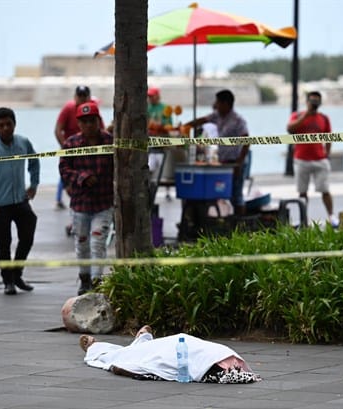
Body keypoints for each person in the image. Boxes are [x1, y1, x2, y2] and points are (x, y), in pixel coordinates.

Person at [0, 107, 40, 295]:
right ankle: (8, 281)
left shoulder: (23, 143)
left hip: (20, 200)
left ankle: (17, 272)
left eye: (9, 124)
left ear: (14, 124)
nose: (6, 128)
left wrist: (34, 184)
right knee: (3, 243)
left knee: (28, 231)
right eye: (1, 125)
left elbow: (34, 161)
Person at [59, 102, 114, 296]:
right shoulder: (71, 144)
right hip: (80, 204)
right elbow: (64, 169)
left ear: (98, 121)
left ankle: (98, 282)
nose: (89, 125)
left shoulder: (110, 142)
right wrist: (82, 178)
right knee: (82, 242)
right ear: (79, 124)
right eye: (84, 122)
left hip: (104, 203)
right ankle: (84, 279)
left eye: (92, 121)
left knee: (98, 242)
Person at [79, 326, 261, 383]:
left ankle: (97, 348)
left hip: (194, 354)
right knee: (139, 353)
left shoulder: (221, 368)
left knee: (133, 355)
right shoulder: (226, 364)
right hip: (185, 346)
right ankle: (143, 340)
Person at [185, 89, 250, 215]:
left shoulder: (238, 120)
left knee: (236, 196)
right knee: (221, 192)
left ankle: (241, 226)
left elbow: (247, 141)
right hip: (223, 162)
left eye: (218, 102)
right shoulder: (217, 116)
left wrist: (239, 163)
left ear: (226, 103)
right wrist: (185, 127)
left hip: (235, 161)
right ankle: (224, 220)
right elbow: (202, 120)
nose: (216, 105)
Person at [286, 91, 339, 228]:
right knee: (302, 192)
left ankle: (332, 216)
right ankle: (304, 219)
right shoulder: (297, 116)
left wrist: (327, 153)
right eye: (312, 101)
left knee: (324, 189)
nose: (314, 104)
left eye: (317, 102)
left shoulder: (324, 118)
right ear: (307, 101)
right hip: (301, 159)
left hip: (319, 159)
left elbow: (329, 137)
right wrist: (306, 115)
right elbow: (290, 129)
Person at [54, 85, 104, 210]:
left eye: (84, 96)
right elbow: (58, 130)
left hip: (90, 149)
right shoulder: (68, 108)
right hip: (72, 148)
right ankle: (60, 199)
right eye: (79, 96)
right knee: (66, 173)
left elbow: (102, 130)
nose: (88, 125)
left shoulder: (94, 108)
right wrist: (67, 148)